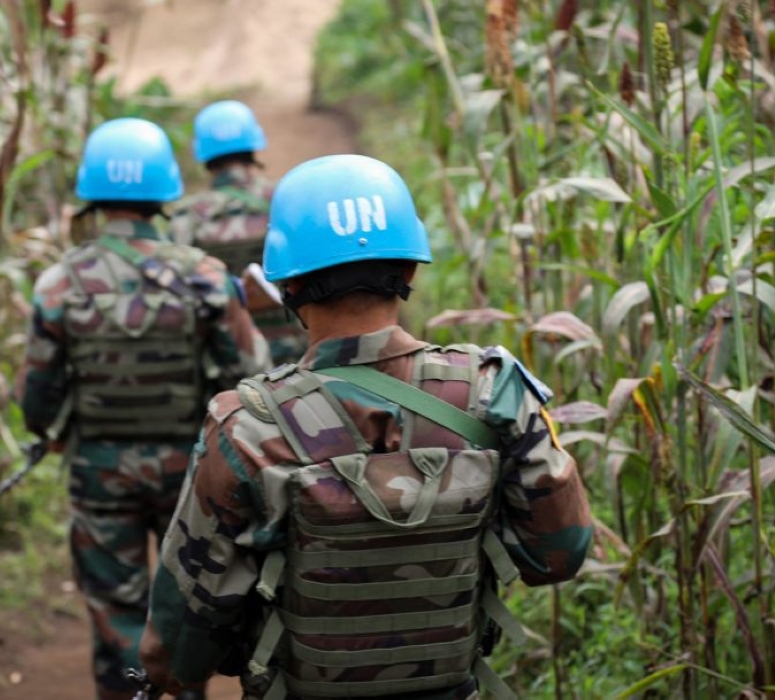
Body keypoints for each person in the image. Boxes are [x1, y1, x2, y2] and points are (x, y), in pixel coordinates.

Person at [139, 155, 593, 700]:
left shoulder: (247, 426)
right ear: (409, 270)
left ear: (285, 284)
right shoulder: (494, 391)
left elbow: (178, 643)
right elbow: (558, 555)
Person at [19, 117, 270, 700]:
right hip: (191, 464)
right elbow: (249, 368)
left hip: (99, 468)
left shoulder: (61, 282)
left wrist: (50, 431)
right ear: (163, 192)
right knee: (188, 596)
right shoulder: (204, 275)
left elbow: (37, 391)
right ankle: (181, 690)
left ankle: (129, 691)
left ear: (93, 194)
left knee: (115, 606)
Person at [170, 100, 308, 366]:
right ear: (253, 145)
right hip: (294, 350)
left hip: (229, 356)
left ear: (204, 155)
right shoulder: (285, 198)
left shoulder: (188, 215)